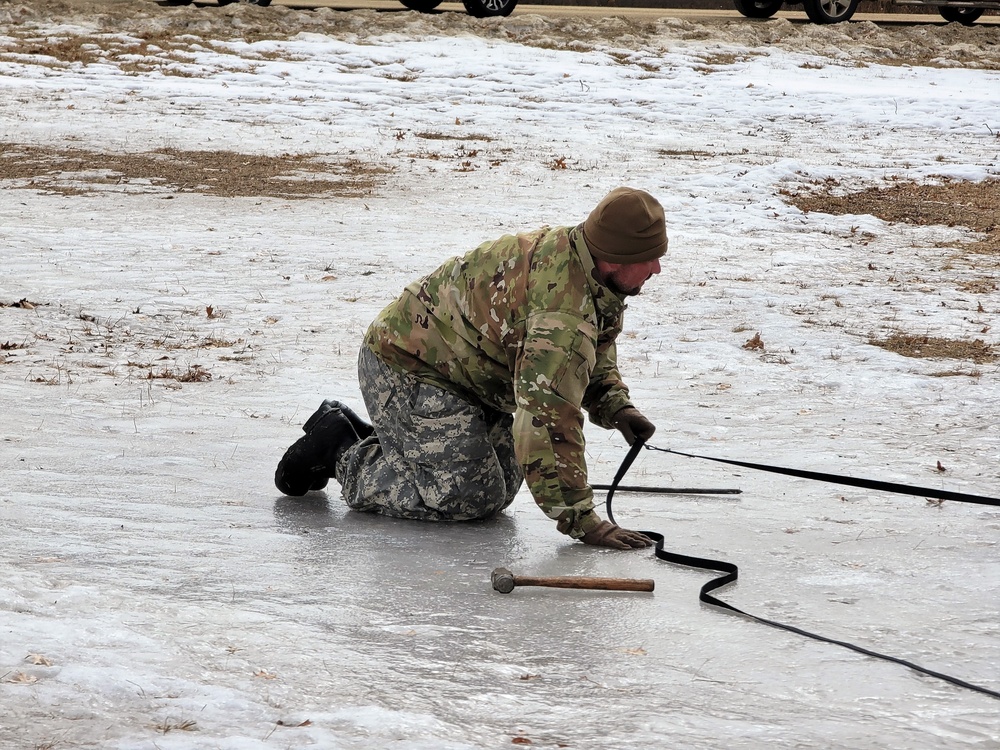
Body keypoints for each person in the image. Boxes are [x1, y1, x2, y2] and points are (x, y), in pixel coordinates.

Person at [275, 187, 667, 550]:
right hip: (409, 367)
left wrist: (616, 406)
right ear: (615, 257)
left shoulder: (588, 269)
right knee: (463, 497)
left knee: (501, 485)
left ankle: (385, 441)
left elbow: (590, 349)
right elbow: (546, 422)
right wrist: (584, 521)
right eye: (649, 259)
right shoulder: (560, 312)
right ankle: (340, 448)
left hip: (471, 378)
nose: (656, 269)